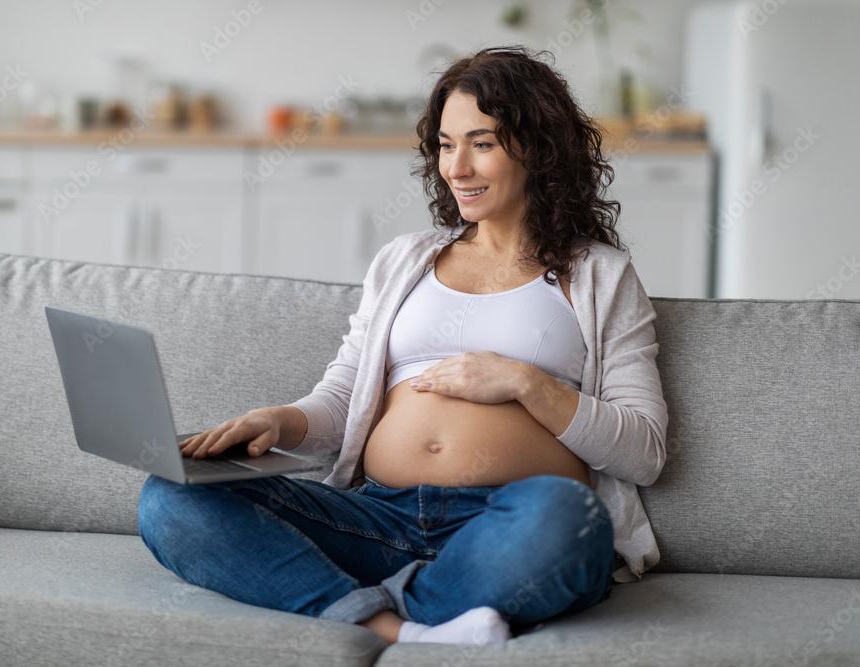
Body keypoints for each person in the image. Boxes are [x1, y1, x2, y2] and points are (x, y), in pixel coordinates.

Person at [137, 45, 668, 646]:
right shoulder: (405, 260)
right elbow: (344, 399)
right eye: (445, 144)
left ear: (540, 149)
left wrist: (525, 383)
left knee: (568, 517)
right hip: (378, 519)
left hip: (509, 523)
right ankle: (401, 627)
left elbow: (643, 451)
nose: (456, 168)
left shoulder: (600, 275)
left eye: (482, 143)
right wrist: (278, 421)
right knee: (171, 496)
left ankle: (357, 606)